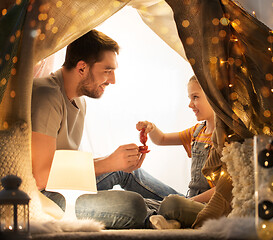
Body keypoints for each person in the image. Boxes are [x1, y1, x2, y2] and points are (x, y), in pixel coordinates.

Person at [31, 29, 179, 229]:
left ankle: (192, 205)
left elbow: (65, 166)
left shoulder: (79, 102)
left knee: (128, 172)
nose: (113, 80)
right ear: (82, 68)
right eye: (107, 71)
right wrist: (108, 163)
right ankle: (165, 212)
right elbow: (41, 177)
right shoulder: (46, 95)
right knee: (132, 205)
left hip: (63, 185)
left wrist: (117, 162)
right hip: (44, 198)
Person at [136, 75, 216, 229]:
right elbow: (162, 139)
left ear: (213, 96)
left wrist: (189, 202)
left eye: (195, 97)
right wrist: (151, 128)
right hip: (189, 200)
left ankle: (166, 215)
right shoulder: (197, 131)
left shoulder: (228, 138)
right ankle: (170, 219)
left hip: (211, 206)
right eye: (189, 98)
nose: (190, 104)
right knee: (139, 202)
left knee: (172, 203)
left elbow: (224, 189)